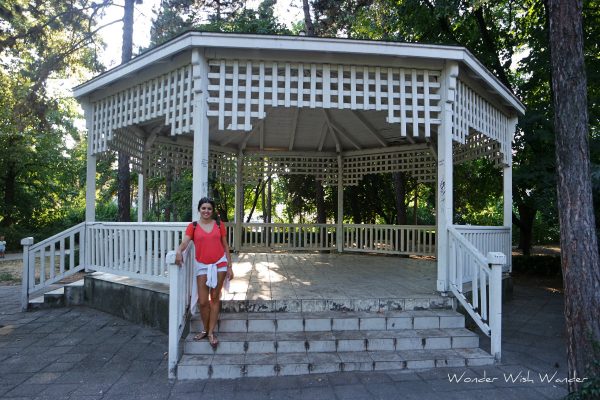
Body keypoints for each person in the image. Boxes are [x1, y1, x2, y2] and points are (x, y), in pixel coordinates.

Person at [175, 197, 233, 349]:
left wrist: (229, 267)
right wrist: (179, 251)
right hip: (201, 265)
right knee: (202, 302)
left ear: (212, 211)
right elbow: (185, 242)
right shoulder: (193, 226)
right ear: (199, 210)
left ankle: (210, 332)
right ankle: (206, 329)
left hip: (219, 264)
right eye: (203, 208)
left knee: (214, 298)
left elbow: (226, 246)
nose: (206, 211)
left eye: (209, 208)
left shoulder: (219, 225)